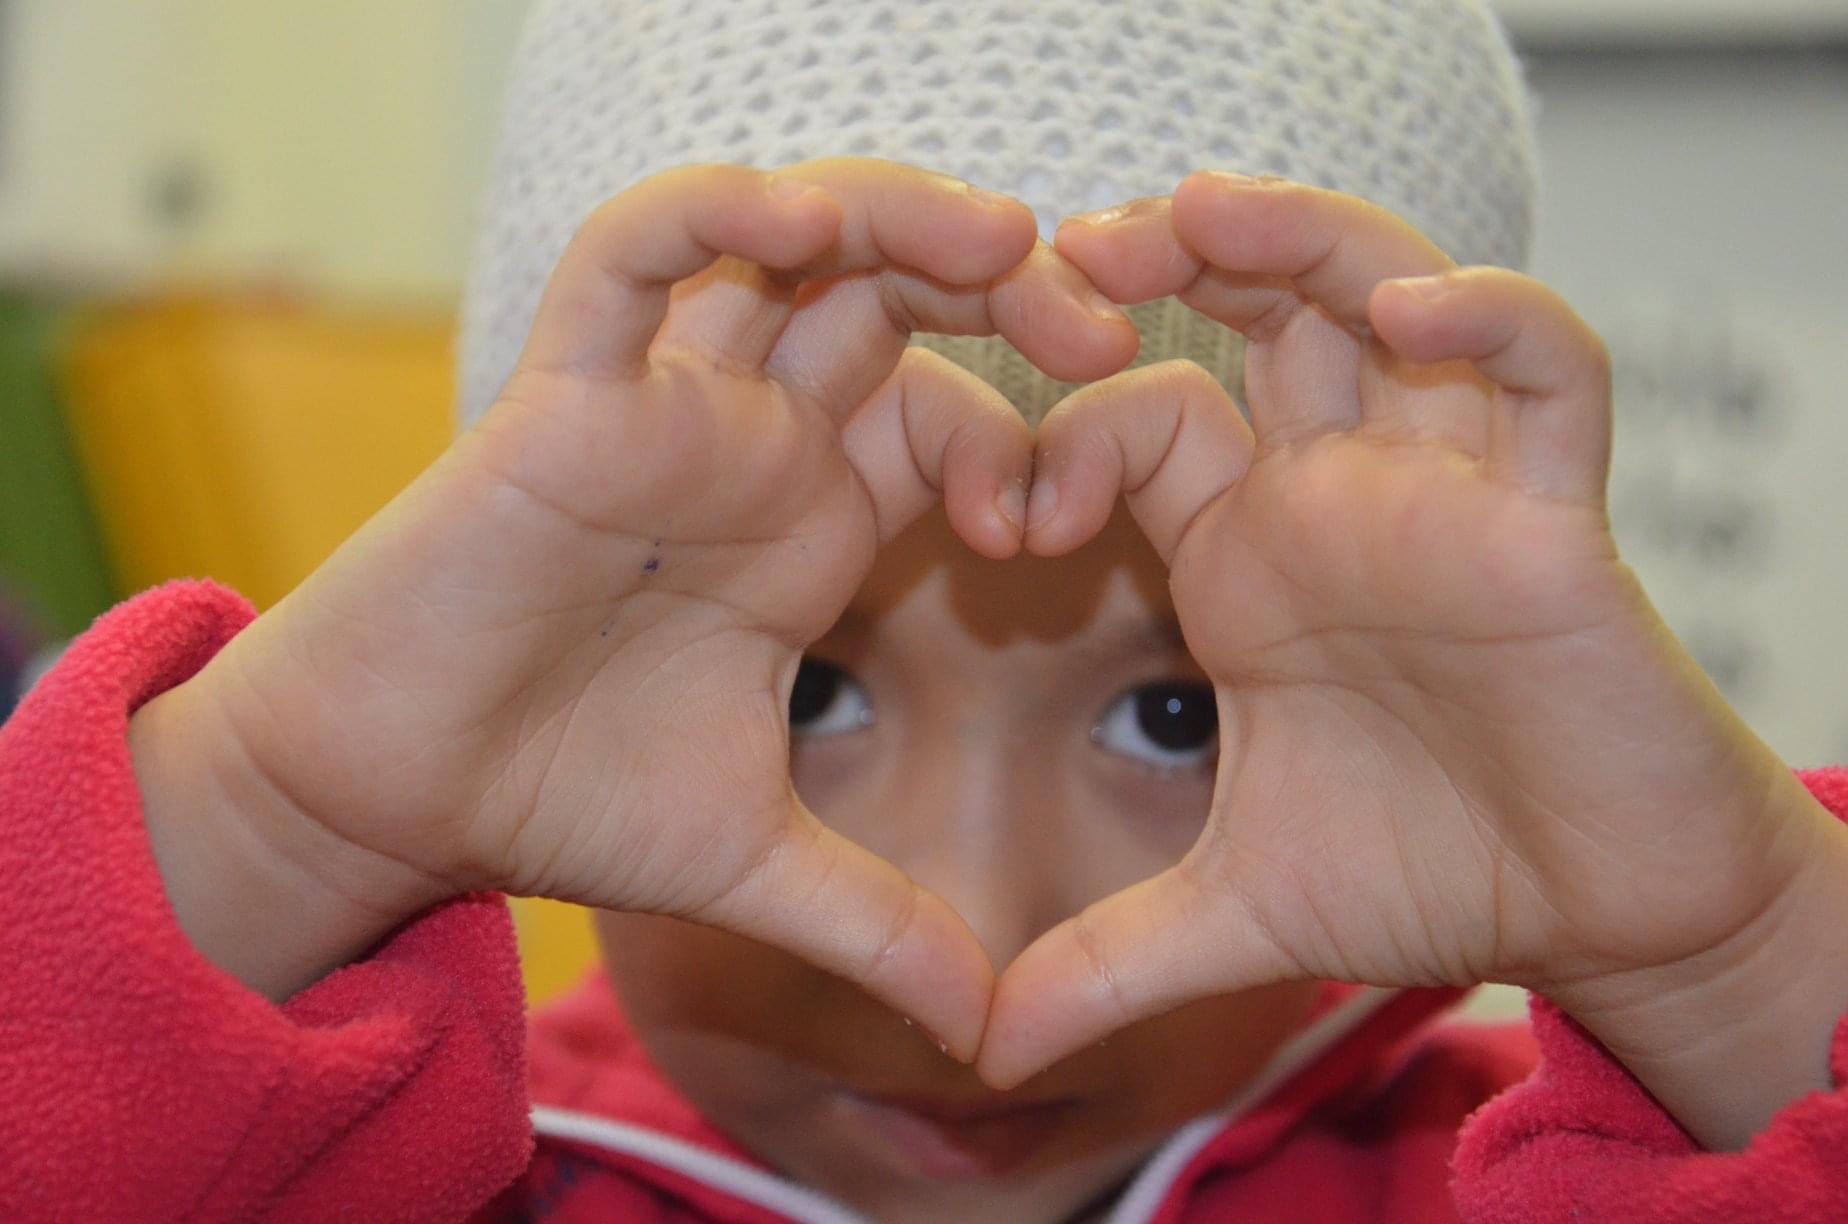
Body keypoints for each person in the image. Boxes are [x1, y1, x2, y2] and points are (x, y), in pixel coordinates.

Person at [4, 0, 1847, 1220]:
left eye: (1178, 715)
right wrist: (285, 825)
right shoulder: (350, 1169)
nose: (972, 928)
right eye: (808, 690)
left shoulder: (1582, 1175)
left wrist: (1731, 965)